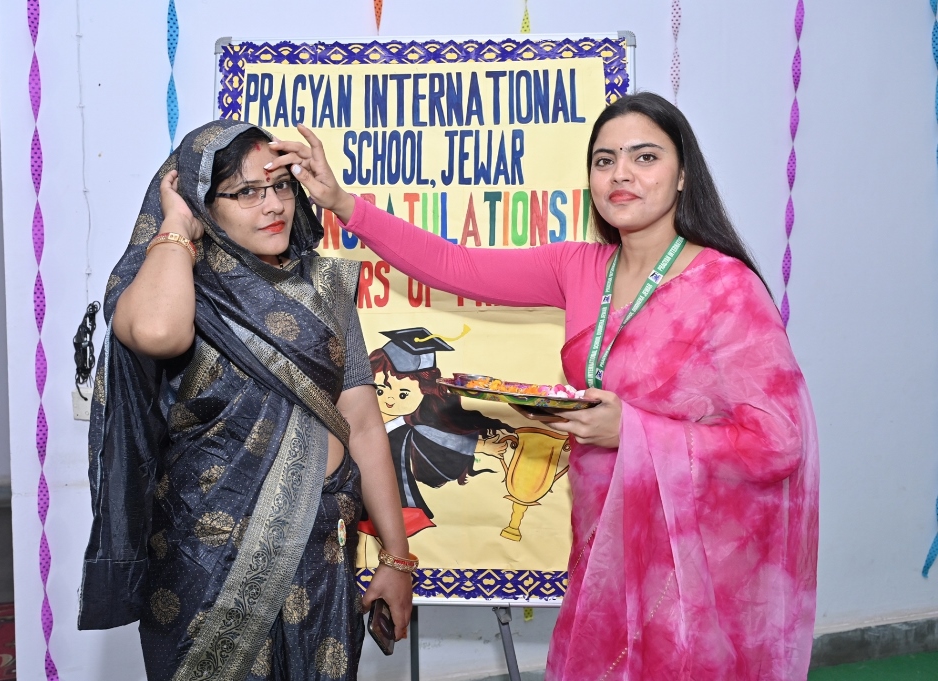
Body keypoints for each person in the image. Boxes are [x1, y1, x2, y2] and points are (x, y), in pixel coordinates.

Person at [268, 92, 819, 679]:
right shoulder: (582, 267)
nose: (621, 174)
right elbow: (456, 267)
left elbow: (778, 442)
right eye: (604, 160)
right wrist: (341, 203)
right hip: (604, 538)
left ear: (683, 175)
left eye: (645, 157)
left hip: (693, 555)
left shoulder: (726, 288)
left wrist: (631, 430)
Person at [77, 120, 414, 681]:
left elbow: (362, 422)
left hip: (319, 556)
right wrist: (177, 226)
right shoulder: (178, 285)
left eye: (281, 185)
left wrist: (397, 558)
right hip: (209, 563)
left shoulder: (324, 289)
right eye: (246, 192)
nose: (274, 205)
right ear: (203, 205)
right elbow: (157, 333)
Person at [358, 328, 511, 539]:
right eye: (380, 390)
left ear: (425, 394)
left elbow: (445, 440)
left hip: (393, 499)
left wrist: (483, 446)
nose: (389, 399)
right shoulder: (358, 420)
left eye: (403, 394)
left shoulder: (407, 429)